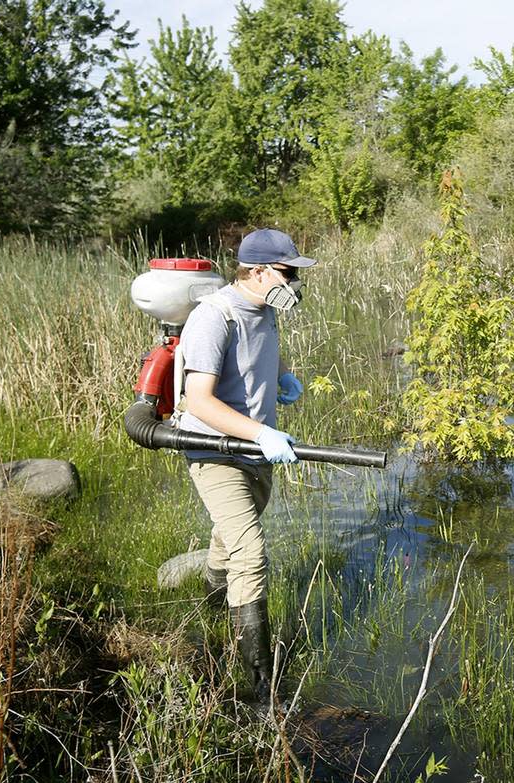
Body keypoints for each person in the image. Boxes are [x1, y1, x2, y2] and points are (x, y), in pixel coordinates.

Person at [178, 227, 315, 705]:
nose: (294, 284)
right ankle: (260, 684)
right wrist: (261, 432)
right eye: (287, 273)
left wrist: (283, 377)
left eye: (296, 275)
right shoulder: (213, 318)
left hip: (256, 450)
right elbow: (198, 400)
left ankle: (210, 606)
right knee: (252, 553)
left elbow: (262, 353)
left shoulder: (266, 309)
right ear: (256, 271)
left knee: (230, 535)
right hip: (215, 451)